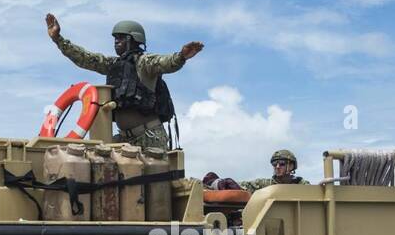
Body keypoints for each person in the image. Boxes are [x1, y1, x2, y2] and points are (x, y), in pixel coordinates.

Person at [45, 14, 203, 150]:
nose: (116, 41)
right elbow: (86, 59)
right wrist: (59, 40)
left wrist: (181, 56)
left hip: (149, 138)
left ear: (133, 39)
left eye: (121, 37)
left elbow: (165, 62)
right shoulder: (113, 64)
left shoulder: (145, 62)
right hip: (123, 139)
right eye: (115, 38)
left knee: (151, 183)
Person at [242, 149, 306, 191]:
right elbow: (242, 186)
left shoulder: (302, 185)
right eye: (274, 164)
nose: (277, 167)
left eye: (282, 164)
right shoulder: (264, 185)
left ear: (291, 166)